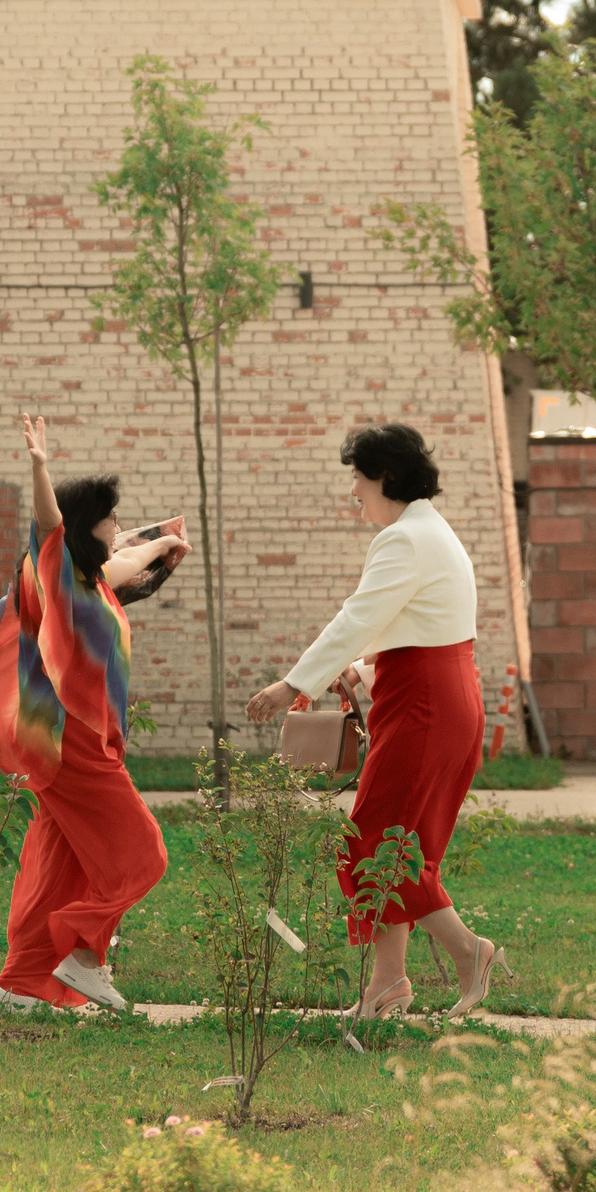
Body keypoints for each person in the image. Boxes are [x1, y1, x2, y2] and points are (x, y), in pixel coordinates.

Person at [247, 424, 509, 1018]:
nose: (354, 493)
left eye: (358, 479)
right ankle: (388, 985)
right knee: (399, 841)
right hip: (439, 698)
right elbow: (419, 628)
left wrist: (295, 682)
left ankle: (469, 953)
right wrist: (364, 673)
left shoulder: (403, 540)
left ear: (384, 477)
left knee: (378, 844)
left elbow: (357, 619)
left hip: (423, 708)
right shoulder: (429, 531)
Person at [0, 416, 189, 1013]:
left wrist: (161, 542)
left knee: (58, 873)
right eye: (111, 519)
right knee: (144, 853)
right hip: (73, 746)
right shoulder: (54, 575)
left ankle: (16, 988)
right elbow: (51, 526)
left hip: (74, 744)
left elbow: (123, 563)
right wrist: (40, 467)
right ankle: (86, 957)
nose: (117, 528)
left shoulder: (89, 583)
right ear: (83, 528)